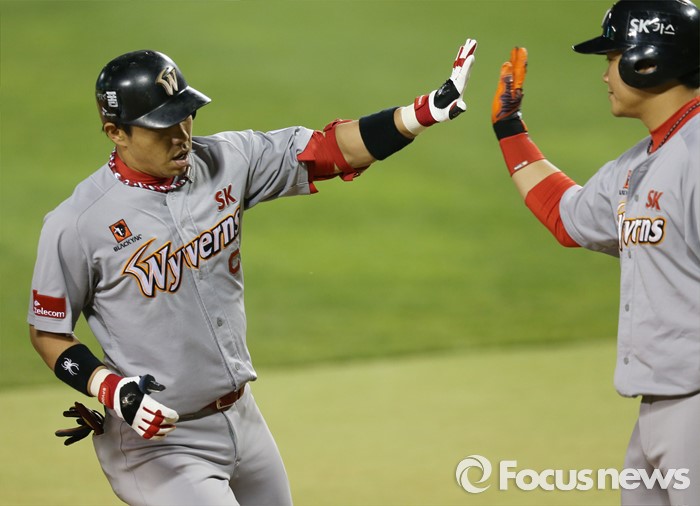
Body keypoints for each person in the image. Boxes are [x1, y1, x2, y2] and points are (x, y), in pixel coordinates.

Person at [28, 40, 477, 505]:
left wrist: (421, 114)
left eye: (185, 116)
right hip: (158, 445)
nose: (181, 135)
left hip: (243, 418)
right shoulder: (77, 224)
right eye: (162, 126)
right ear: (116, 132)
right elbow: (48, 331)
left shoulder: (226, 160)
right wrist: (111, 388)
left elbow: (327, 151)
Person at [491, 0, 698, 503]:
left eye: (612, 58)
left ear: (647, 61)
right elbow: (568, 217)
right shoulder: (642, 161)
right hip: (659, 409)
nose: (605, 74)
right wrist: (510, 129)